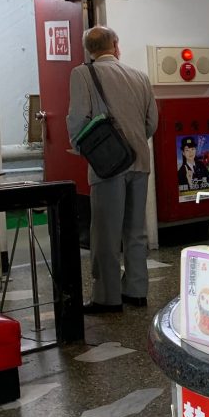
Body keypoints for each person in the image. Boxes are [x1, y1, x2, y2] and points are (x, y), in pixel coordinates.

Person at [67, 26, 158, 314]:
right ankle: (136, 290)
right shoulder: (140, 76)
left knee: (106, 232)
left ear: (89, 50)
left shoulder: (82, 74)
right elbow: (151, 122)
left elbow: (77, 120)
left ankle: (107, 297)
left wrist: (92, 151)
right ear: (116, 46)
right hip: (140, 162)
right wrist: (132, 143)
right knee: (135, 230)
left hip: (108, 167)